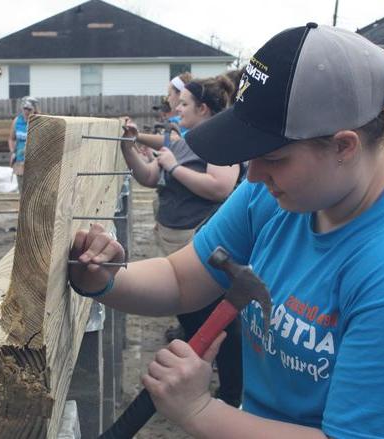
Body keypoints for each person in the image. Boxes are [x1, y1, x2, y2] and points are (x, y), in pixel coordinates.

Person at [68, 23, 384, 438]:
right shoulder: (282, 196)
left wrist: (198, 411)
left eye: (274, 157)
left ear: (344, 146)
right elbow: (182, 278)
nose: (254, 176)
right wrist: (104, 278)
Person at [121, 74, 243, 406]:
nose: (178, 107)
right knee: (194, 317)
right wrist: (129, 150)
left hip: (198, 238)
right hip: (176, 238)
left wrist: (174, 168)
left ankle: (229, 394)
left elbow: (220, 187)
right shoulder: (183, 137)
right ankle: (204, 385)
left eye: (185, 103)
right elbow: (148, 176)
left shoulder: (219, 142)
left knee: (217, 324)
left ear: (203, 109)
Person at [8, 96, 38, 190]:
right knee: (22, 188)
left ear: (34, 109)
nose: (26, 111)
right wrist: (13, 152)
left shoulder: (38, 122)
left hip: (34, 161)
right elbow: (11, 139)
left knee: (33, 188)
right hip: (19, 159)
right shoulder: (17, 121)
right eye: (25, 108)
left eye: (29, 109)